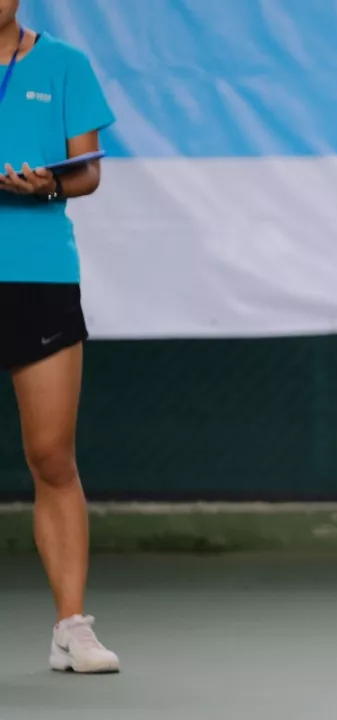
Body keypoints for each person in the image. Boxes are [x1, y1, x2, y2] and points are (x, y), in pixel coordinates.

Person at [0, 0, 120, 674]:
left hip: (38, 276)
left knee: (51, 457)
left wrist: (47, 186)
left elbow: (88, 173)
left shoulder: (65, 64)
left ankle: (71, 628)